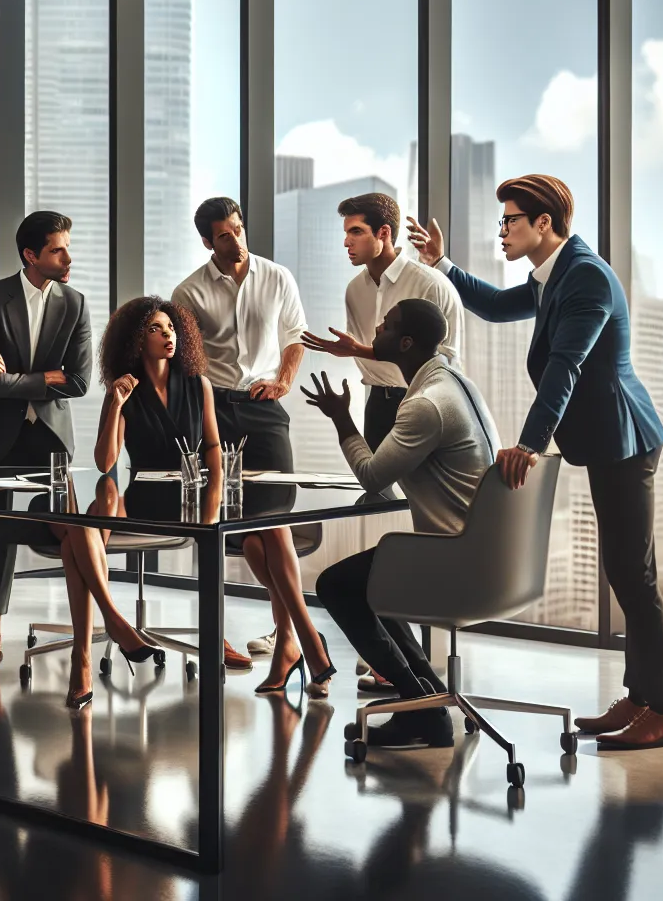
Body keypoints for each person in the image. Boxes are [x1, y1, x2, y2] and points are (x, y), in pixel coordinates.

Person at [407, 174, 663, 750]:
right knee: (627, 572)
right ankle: (641, 696)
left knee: (636, 576)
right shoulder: (553, 275)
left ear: (544, 224)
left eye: (509, 220)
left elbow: (566, 366)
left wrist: (530, 444)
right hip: (607, 440)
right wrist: (444, 264)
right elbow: (494, 305)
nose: (501, 230)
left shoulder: (583, 278)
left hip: (624, 438)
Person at [303, 299, 499, 749]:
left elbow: (372, 475)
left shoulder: (427, 405)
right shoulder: (455, 383)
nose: (378, 327)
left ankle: (419, 705)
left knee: (336, 585)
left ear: (405, 343)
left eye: (387, 325)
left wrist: (342, 420)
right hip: (483, 551)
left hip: (452, 556)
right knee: (377, 580)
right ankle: (425, 702)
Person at [91, 298, 309, 696]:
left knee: (269, 530)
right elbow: (106, 462)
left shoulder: (198, 383)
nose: (167, 335)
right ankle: (302, 643)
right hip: (147, 500)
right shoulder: (126, 389)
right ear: (136, 341)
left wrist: (210, 509)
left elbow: (212, 447)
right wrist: (115, 402)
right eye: (156, 330)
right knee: (91, 522)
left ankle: (282, 639)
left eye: (171, 328)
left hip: (196, 498)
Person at [171, 197, 331, 686]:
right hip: (213, 411)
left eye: (239, 229)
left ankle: (291, 639)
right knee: (232, 526)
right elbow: (186, 363)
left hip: (264, 407)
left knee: (273, 517)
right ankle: (278, 636)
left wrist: (283, 381)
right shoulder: (189, 291)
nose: (236, 240)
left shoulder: (277, 277)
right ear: (206, 241)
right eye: (224, 235)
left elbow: (295, 336)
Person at [0, 211, 94, 678]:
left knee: (74, 537)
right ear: (30, 255)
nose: (68, 257)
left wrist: (13, 378)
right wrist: (42, 379)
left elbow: (78, 380)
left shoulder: (75, 304)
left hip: (52, 440)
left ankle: (84, 642)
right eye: (58, 249)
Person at [301, 192, 465, 448]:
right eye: (346, 233)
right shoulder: (354, 290)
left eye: (356, 231)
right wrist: (355, 351)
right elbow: (370, 354)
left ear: (383, 233)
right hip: (378, 403)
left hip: (426, 403)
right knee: (375, 485)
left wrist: (357, 350)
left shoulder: (429, 284)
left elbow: (443, 359)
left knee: (425, 489)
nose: (346, 242)